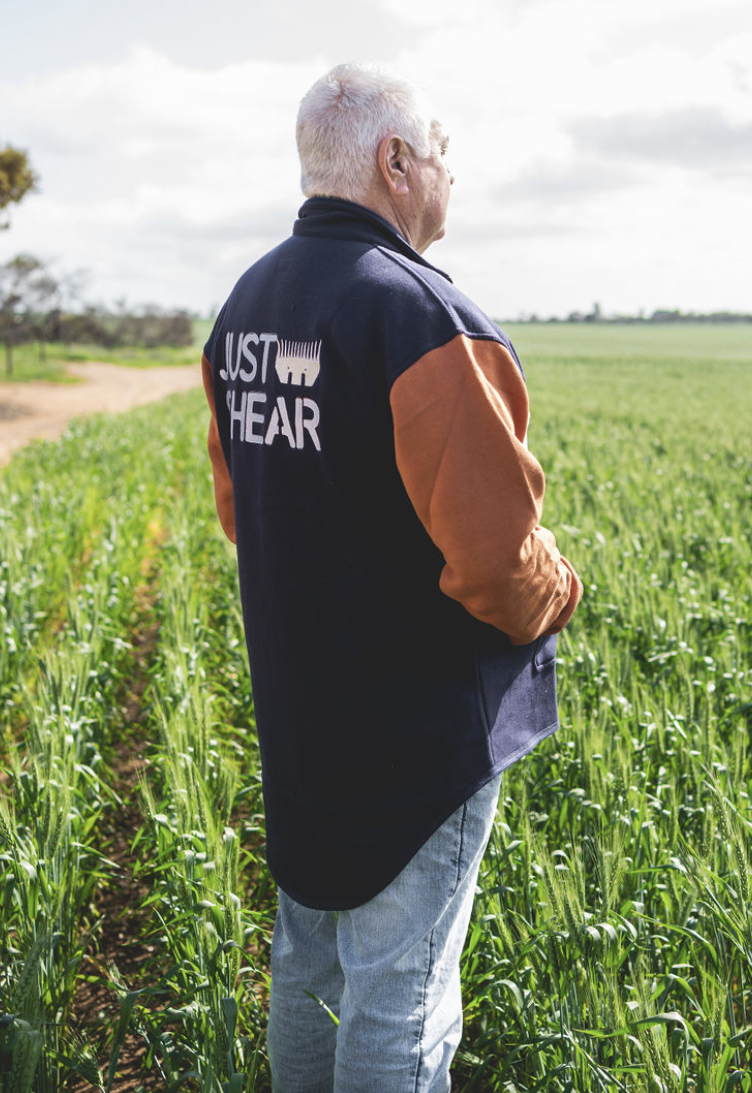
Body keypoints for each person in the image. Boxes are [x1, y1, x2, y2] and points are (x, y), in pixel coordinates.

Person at [200, 62, 582, 1092]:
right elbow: (500, 565)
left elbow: (244, 511)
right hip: (418, 736)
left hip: (302, 714)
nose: (449, 172)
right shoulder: (419, 316)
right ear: (396, 161)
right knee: (401, 999)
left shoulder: (246, 305)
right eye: (442, 151)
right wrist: (563, 591)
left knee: (306, 965)